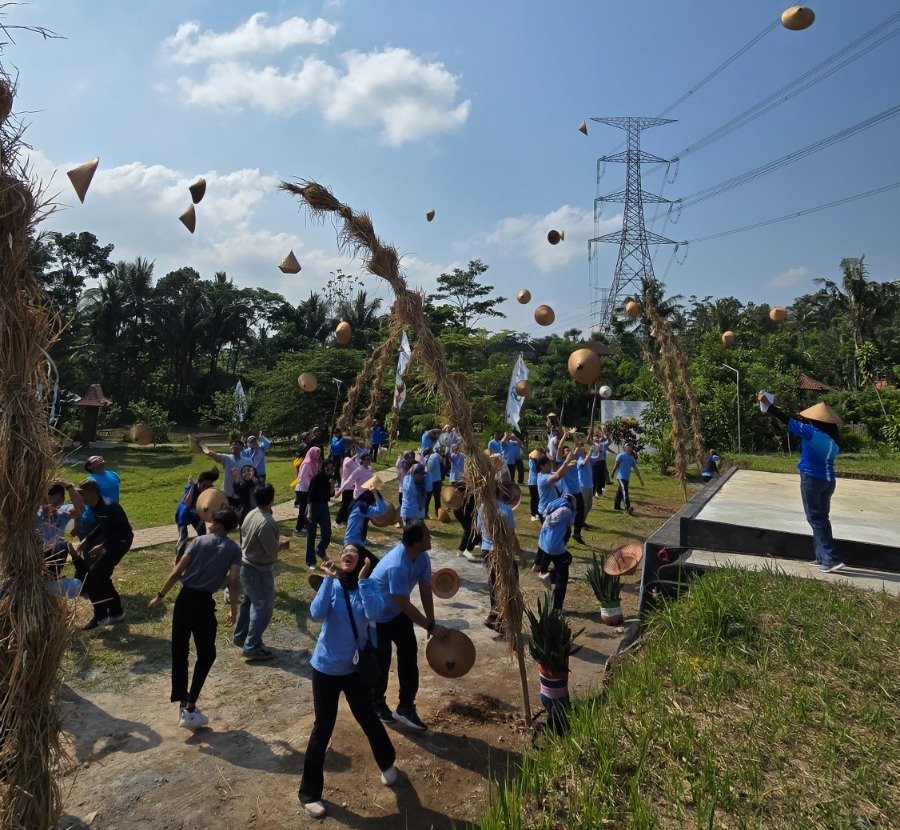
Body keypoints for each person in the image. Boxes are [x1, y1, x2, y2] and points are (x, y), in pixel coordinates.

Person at [298, 546, 398, 818]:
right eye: (345, 550)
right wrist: (328, 580)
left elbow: (375, 613)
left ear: (363, 560)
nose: (347, 552)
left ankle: (387, 763)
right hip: (326, 669)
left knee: (366, 716)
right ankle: (309, 794)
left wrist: (365, 580)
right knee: (323, 727)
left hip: (354, 670)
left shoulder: (369, 587)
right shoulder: (332, 586)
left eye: (354, 551)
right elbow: (316, 614)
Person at [148, 508, 242, 730]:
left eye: (212, 521)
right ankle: (190, 706)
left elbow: (177, 571)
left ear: (218, 524)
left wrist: (160, 595)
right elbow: (234, 582)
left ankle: (182, 701)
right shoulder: (233, 550)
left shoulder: (198, 542)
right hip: (203, 604)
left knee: (179, 650)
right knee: (207, 654)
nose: (209, 523)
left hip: (184, 599)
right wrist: (233, 609)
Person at [369, 522, 449, 729]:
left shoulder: (422, 557)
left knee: (408, 654)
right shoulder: (397, 565)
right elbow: (404, 604)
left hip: (395, 613)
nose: (430, 539)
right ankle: (375, 702)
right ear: (415, 542)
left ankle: (405, 706)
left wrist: (431, 622)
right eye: (427, 536)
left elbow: (425, 589)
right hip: (376, 617)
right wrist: (429, 628)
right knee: (381, 661)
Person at [758, 393, 845, 572]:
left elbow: (786, 420)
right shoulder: (833, 441)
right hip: (828, 481)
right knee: (821, 518)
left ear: (816, 421)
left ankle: (831, 559)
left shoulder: (811, 432)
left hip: (812, 479)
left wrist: (768, 405)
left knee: (815, 518)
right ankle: (821, 557)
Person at [233, 484, 290, 660]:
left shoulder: (251, 513)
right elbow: (271, 550)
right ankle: (252, 645)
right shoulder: (267, 522)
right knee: (263, 606)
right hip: (258, 570)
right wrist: (282, 545)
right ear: (272, 499)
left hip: (246, 564)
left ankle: (241, 636)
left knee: (248, 602)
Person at [73, 479, 134, 630]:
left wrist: (102, 546)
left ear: (94, 493)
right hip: (112, 541)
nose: (81, 498)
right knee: (101, 576)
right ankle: (116, 612)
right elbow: (102, 526)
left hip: (121, 542)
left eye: (83, 494)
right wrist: (87, 540)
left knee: (93, 577)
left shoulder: (110, 507)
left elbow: (123, 531)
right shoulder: (95, 506)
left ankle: (100, 615)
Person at [476, 487, 520, 630]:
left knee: (493, 583)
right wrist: (520, 554)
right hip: (502, 552)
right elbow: (511, 536)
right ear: (500, 492)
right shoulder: (505, 509)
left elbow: (478, 530)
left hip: (486, 550)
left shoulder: (482, 507)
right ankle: (496, 616)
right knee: (509, 585)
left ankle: (497, 616)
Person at [37, 479, 84, 598]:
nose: (51, 505)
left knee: (61, 544)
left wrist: (69, 487)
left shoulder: (63, 512)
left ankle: (46, 584)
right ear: (42, 499)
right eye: (47, 501)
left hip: (52, 559)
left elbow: (80, 509)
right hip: (32, 556)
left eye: (57, 501)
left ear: (62, 500)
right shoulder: (33, 513)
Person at [533, 452, 576, 575]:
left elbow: (560, 474)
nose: (550, 465)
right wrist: (566, 462)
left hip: (551, 512)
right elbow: (557, 476)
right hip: (546, 513)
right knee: (549, 540)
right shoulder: (542, 478)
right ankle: (543, 568)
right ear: (541, 466)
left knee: (545, 538)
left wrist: (568, 466)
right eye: (547, 464)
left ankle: (538, 565)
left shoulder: (546, 473)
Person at [538, 494, 576, 610]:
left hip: (544, 544)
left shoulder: (551, 508)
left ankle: (548, 574)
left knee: (568, 557)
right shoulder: (566, 511)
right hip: (555, 548)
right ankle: (557, 607)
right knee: (562, 578)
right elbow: (571, 523)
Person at [175, 468, 219, 560]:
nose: (206, 487)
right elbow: (187, 502)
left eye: (209, 485)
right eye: (204, 485)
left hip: (197, 514)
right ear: (200, 482)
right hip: (184, 513)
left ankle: (201, 556)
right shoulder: (191, 486)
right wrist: (192, 487)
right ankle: (178, 560)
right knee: (183, 537)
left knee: (203, 534)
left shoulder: (209, 489)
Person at [343, 488, 388, 565]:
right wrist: (376, 495)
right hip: (353, 543)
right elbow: (382, 510)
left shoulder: (358, 503)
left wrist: (376, 494)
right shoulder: (361, 508)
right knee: (374, 564)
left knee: (369, 564)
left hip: (355, 540)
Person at [81, 455, 122, 537]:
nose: (100, 457)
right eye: (95, 458)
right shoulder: (90, 481)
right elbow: (85, 502)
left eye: (99, 456)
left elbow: (115, 495)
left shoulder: (114, 474)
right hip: (93, 521)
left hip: (111, 517)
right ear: (90, 466)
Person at [305, 460, 335, 569]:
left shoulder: (331, 479)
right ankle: (310, 561)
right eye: (327, 469)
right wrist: (309, 512)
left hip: (324, 507)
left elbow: (331, 495)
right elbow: (310, 496)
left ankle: (320, 550)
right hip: (313, 506)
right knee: (311, 535)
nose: (330, 471)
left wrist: (332, 486)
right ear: (323, 468)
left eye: (332, 469)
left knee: (327, 532)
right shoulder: (316, 478)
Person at [556, 442, 586, 545]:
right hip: (568, 494)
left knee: (581, 513)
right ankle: (564, 539)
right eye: (567, 451)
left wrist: (573, 435)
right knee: (566, 517)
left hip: (578, 492)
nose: (569, 452)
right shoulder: (561, 463)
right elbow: (559, 447)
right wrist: (564, 435)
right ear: (563, 455)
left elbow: (579, 447)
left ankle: (577, 534)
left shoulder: (575, 460)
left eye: (570, 450)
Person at [200, 439, 245, 508]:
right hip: (227, 493)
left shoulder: (247, 460)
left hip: (241, 494)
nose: (233, 446)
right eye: (231, 445)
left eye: (235, 444)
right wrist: (205, 450)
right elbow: (215, 456)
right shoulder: (227, 458)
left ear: (241, 447)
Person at [294, 445, 321, 536]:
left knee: (307, 509)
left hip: (309, 489)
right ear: (312, 452)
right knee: (303, 509)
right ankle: (298, 529)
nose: (318, 454)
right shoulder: (307, 463)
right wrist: (310, 487)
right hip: (304, 489)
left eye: (319, 452)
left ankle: (305, 525)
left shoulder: (314, 463)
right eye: (316, 452)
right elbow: (303, 477)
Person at [612, 442, 644, 514]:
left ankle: (616, 506)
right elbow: (616, 465)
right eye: (628, 447)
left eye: (630, 447)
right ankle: (628, 508)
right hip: (620, 476)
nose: (629, 448)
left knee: (620, 491)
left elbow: (635, 469)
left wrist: (640, 479)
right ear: (625, 448)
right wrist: (612, 473)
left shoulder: (632, 458)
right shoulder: (621, 455)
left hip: (626, 477)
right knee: (624, 491)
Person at [335, 449, 361, 526]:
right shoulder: (347, 459)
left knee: (349, 504)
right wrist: (354, 456)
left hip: (352, 486)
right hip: (346, 486)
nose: (354, 452)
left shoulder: (356, 462)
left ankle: (344, 519)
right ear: (349, 451)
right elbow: (346, 465)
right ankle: (337, 520)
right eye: (352, 450)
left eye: (355, 451)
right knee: (344, 504)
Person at [424, 447, 443, 517]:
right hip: (437, 480)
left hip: (429, 481)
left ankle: (425, 513)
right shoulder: (436, 455)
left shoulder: (426, 458)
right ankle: (438, 514)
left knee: (427, 498)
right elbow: (441, 461)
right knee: (437, 498)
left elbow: (427, 469)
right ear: (431, 450)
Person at [592, 431, 611, 497]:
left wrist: (607, 436)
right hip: (595, 462)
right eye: (595, 436)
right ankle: (593, 493)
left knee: (601, 477)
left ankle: (599, 492)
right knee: (595, 478)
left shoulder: (602, 444)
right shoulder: (593, 445)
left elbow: (610, 442)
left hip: (602, 462)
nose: (596, 438)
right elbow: (588, 441)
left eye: (597, 436)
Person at [527, 449, 542, 522]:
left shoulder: (539, 462)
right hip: (532, 482)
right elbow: (534, 469)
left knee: (539, 498)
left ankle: (538, 513)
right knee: (534, 498)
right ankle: (533, 514)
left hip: (539, 482)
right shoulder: (532, 461)